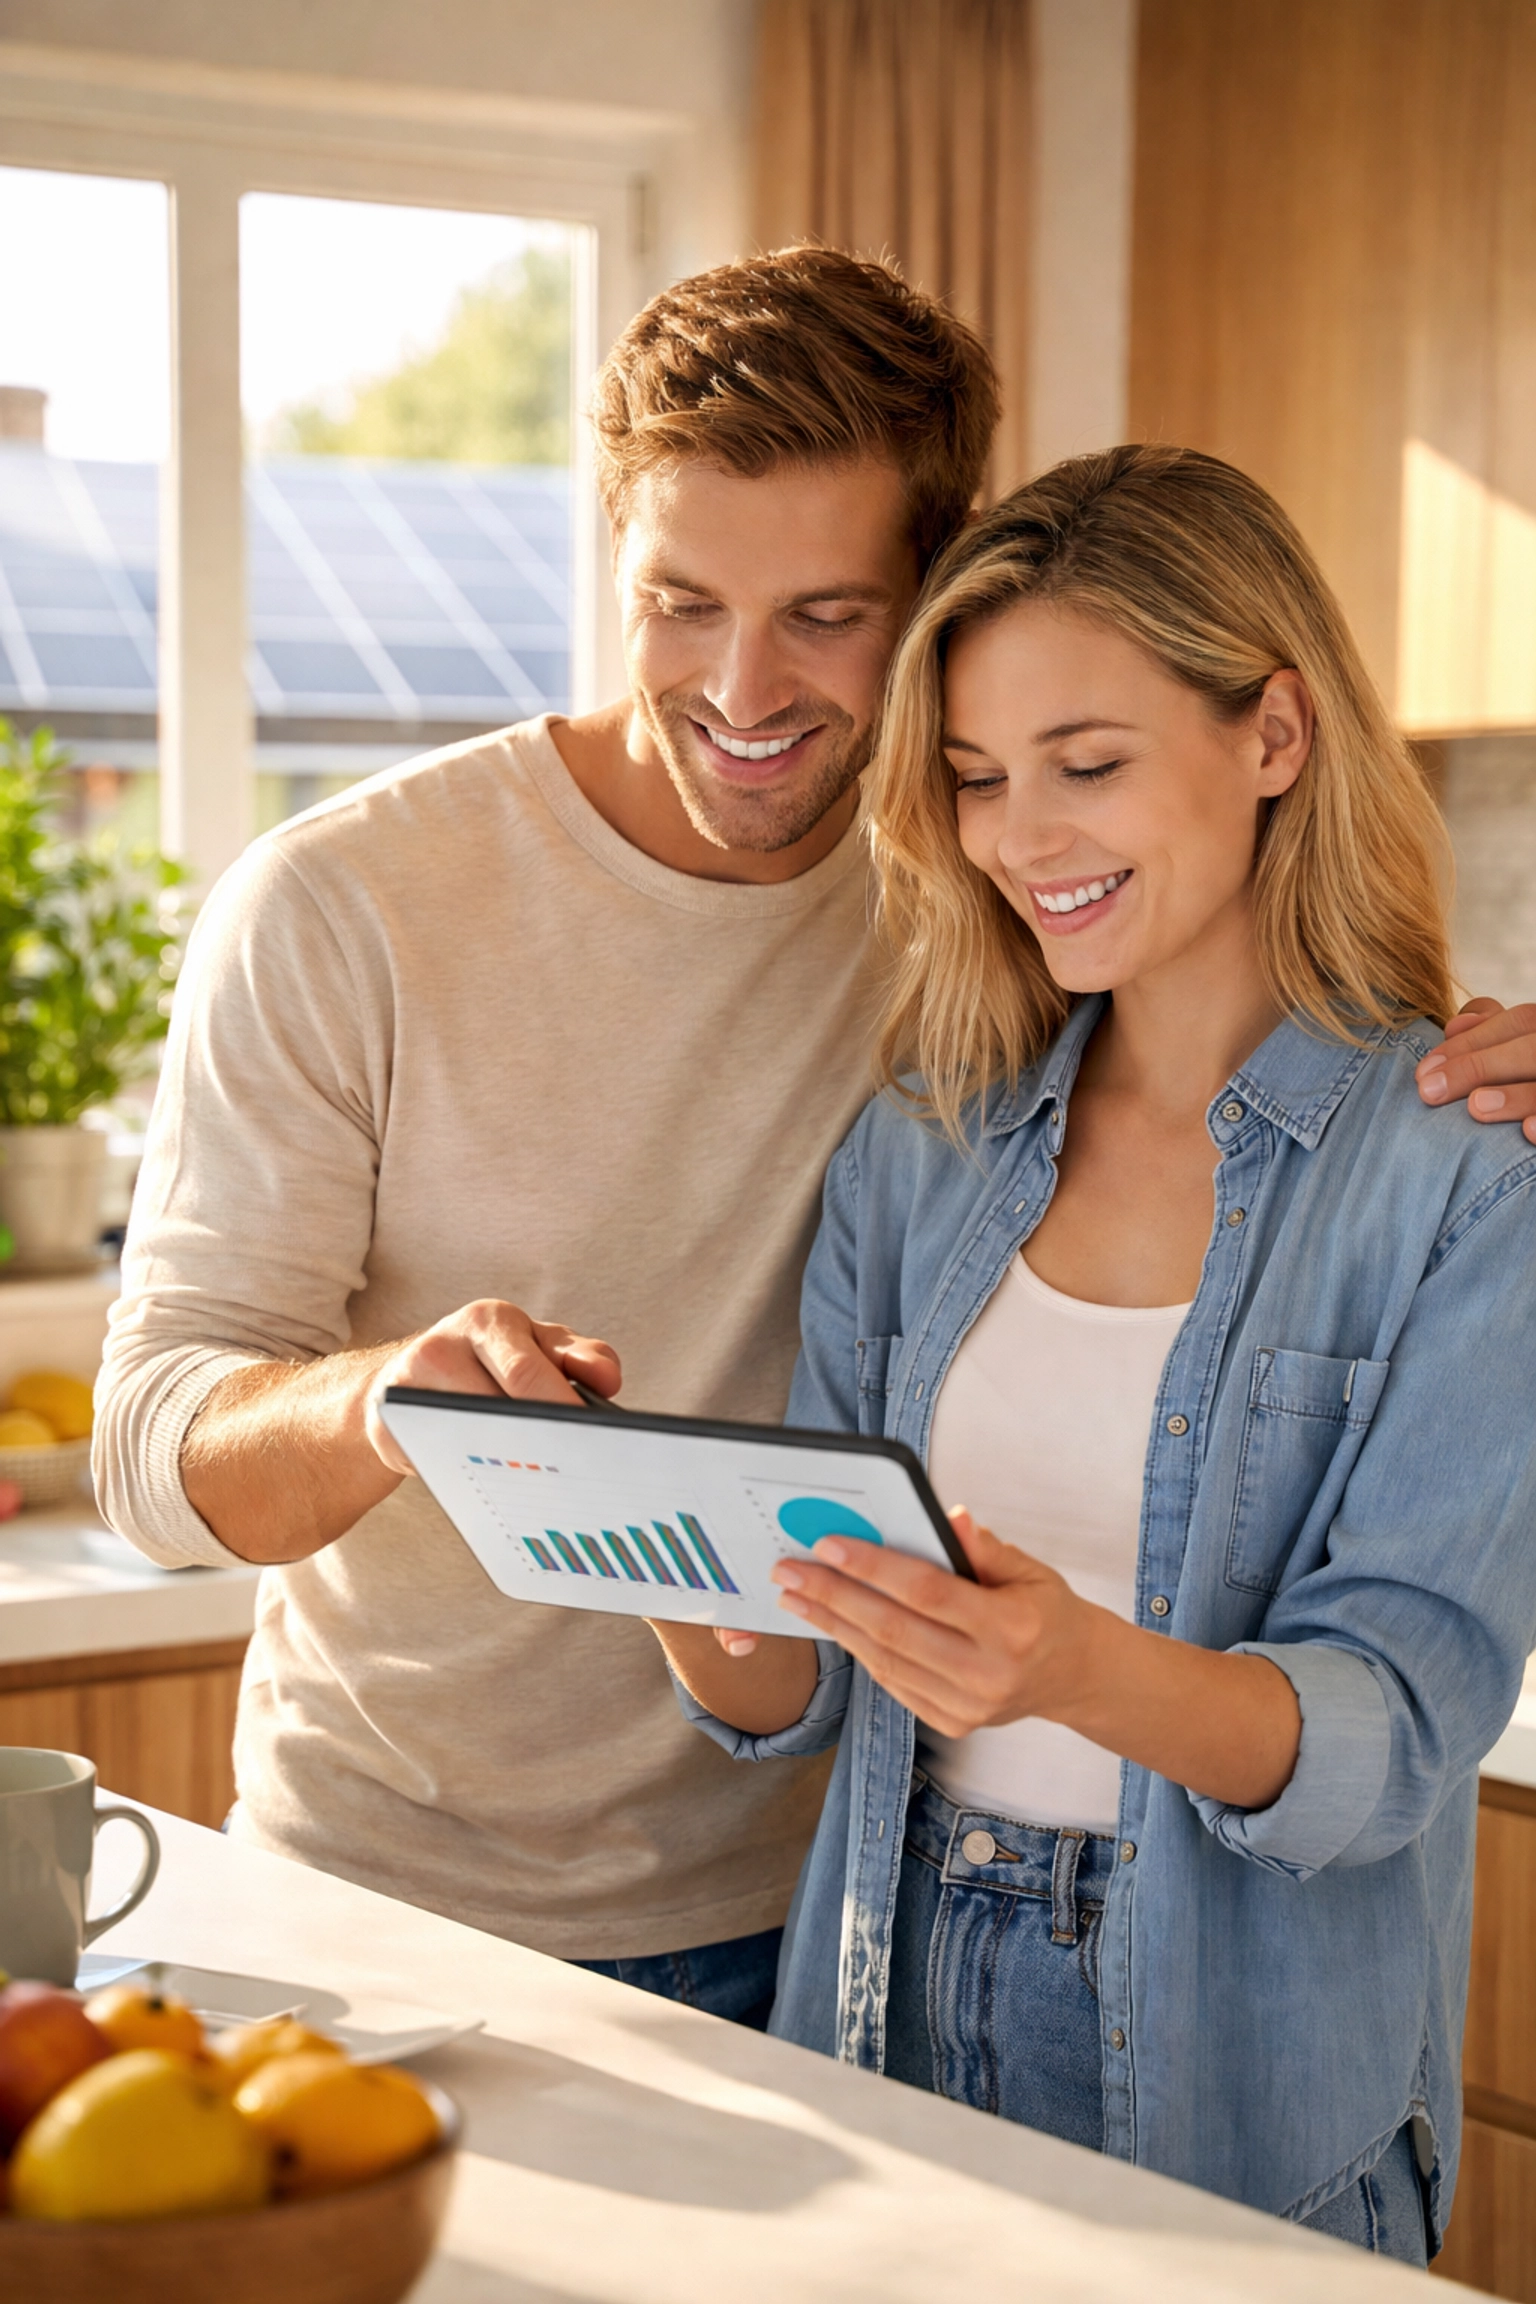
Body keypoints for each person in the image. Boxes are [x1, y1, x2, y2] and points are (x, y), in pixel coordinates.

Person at [95, 245, 1535, 2026]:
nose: (744, 688)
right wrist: (390, 1407)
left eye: (827, 615)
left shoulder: (983, 885)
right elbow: (152, 1455)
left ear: (931, 599)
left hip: (827, 1933)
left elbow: (1269, 1044)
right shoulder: (345, 903)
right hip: (384, 1894)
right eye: (680, 602)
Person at [650, 443, 1536, 2259]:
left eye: (1090, 764)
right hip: (880, 1996)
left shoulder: (1464, 1172)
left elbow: (1391, 1732)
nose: (1021, 838)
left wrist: (1074, 1669)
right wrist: (641, 1551)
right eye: (979, 778)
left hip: (1241, 2070)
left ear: (1273, 733)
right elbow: (794, 1682)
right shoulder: (924, 1145)